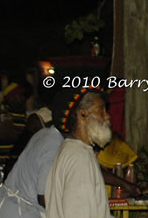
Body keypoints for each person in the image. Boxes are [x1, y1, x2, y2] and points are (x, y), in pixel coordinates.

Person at [0, 97, 66, 217]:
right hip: (20, 211)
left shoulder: (43, 135)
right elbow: (44, 197)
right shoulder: (53, 144)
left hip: (8, 205)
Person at [45, 87, 113, 218]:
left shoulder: (72, 150)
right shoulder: (79, 157)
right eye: (101, 110)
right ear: (83, 114)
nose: (107, 116)